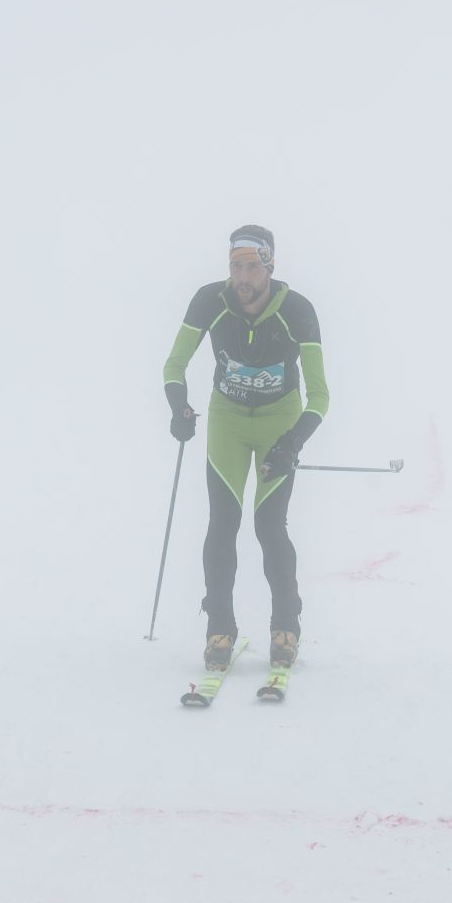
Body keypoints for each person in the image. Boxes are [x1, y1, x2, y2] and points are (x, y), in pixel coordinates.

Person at [163, 225, 330, 670]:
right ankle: (219, 629)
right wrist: (179, 408)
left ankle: (286, 626)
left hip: (279, 421)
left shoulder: (297, 310)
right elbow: (174, 365)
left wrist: (292, 442)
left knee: (270, 524)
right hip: (229, 420)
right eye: (236, 266)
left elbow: (320, 396)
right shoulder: (210, 301)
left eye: (252, 267)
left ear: (270, 266)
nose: (242, 277)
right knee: (223, 522)